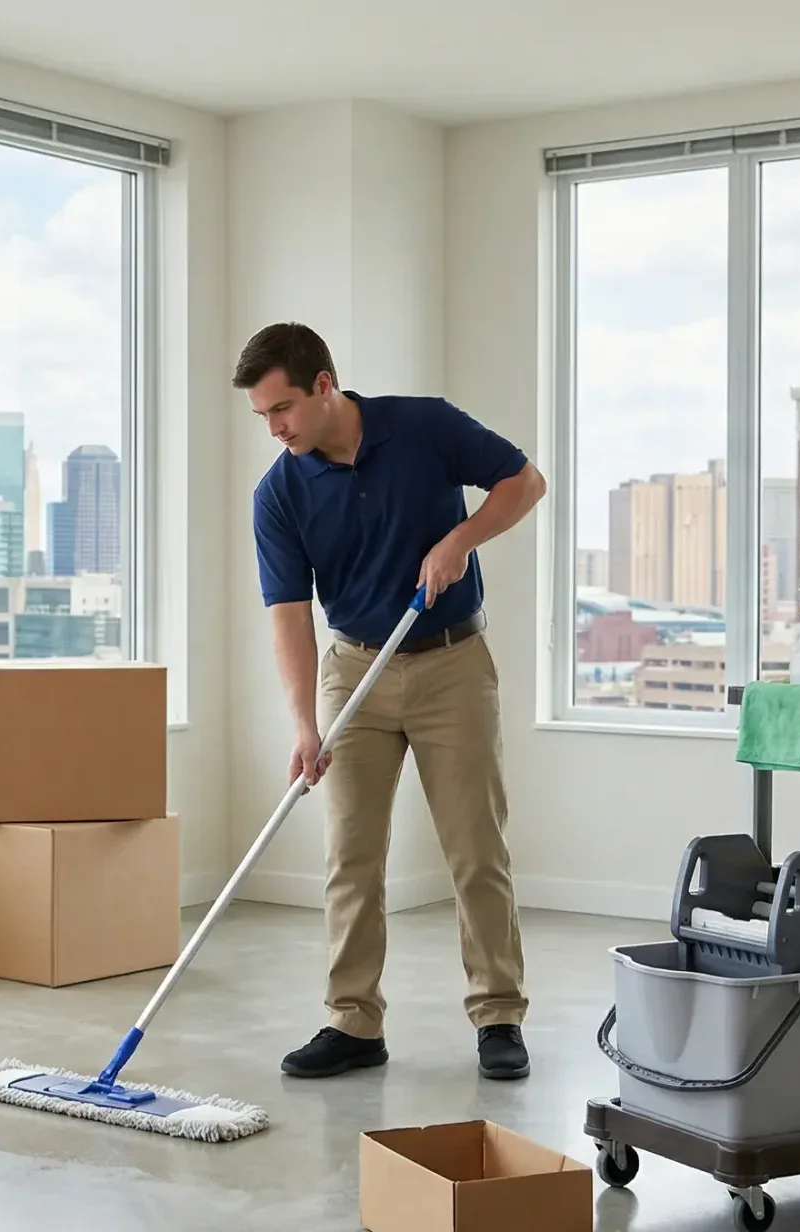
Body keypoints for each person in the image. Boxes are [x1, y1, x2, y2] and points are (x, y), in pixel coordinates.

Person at [237, 322, 547, 1082]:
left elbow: (525, 482)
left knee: (476, 849)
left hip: (452, 665)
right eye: (262, 418)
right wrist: (306, 724)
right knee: (350, 855)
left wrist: (461, 540)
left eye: (281, 410)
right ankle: (353, 1022)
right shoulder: (279, 493)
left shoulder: (424, 426)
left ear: (323, 385)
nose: (275, 429)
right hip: (354, 672)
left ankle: (498, 1014)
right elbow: (289, 617)